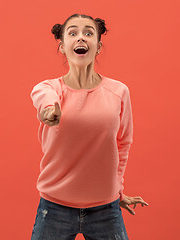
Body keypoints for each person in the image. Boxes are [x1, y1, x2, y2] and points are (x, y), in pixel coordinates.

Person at [30, 13, 149, 240]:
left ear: (99, 46)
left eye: (88, 33)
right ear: (63, 47)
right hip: (55, 208)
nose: (81, 38)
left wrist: (118, 189)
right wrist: (48, 113)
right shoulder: (48, 88)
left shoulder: (119, 92)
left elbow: (123, 143)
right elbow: (45, 104)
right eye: (72, 33)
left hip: (106, 209)